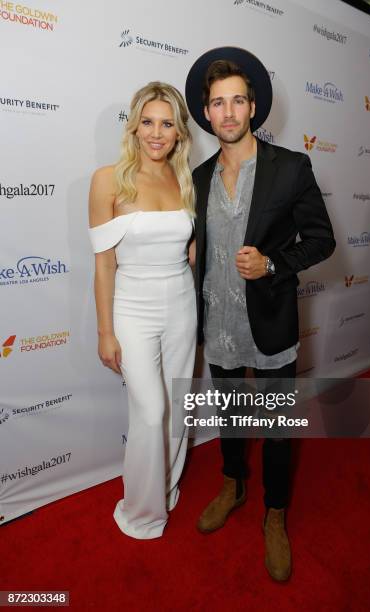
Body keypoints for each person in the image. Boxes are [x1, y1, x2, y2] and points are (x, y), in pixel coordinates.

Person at [185, 48, 336, 580]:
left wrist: (272, 263)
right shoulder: (198, 176)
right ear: (206, 112)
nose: (227, 113)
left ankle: (275, 512)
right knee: (230, 415)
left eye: (237, 102)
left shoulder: (291, 167)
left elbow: (322, 241)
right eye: (217, 103)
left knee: (273, 427)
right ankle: (232, 482)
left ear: (253, 108)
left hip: (270, 324)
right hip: (218, 324)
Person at [88, 82, 196, 539]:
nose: (157, 133)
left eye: (167, 123)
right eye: (148, 122)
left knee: (177, 405)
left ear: (178, 132)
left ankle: (166, 488)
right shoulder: (108, 179)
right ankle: (141, 512)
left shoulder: (185, 179)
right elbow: (104, 262)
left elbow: (190, 247)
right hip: (132, 308)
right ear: (134, 127)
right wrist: (105, 332)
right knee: (151, 411)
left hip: (182, 307)